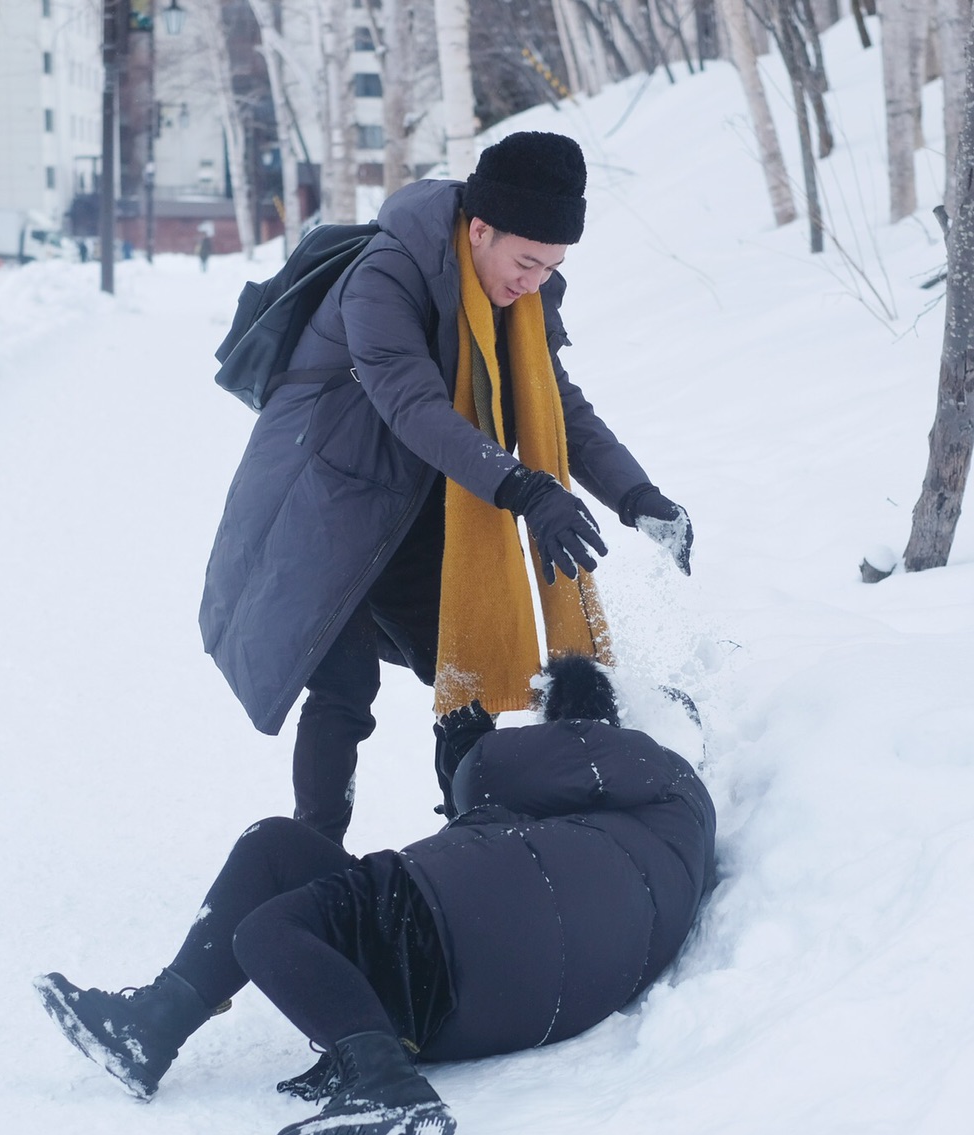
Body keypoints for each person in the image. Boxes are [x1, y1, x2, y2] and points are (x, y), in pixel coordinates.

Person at [36, 657, 718, 1135]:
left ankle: (387, 1085)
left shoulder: (647, 764)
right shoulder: (654, 828)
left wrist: (470, 750)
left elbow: (490, 775)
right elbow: (525, 844)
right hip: (486, 972)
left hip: (460, 940)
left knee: (268, 932)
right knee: (274, 845)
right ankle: (150, 1028)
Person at [199, 131, 695, 845]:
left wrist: (636, 496)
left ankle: (476, 839)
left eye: (552, 267)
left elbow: (555, 401)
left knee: (468, 671)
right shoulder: (384, 275)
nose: (534, 283)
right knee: (341, 685)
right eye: (527, 262)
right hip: (324, 500)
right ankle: (313, 850)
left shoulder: (519, 294)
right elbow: (412, 405)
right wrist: (527, 490)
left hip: (425, 503)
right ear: (480, 229)